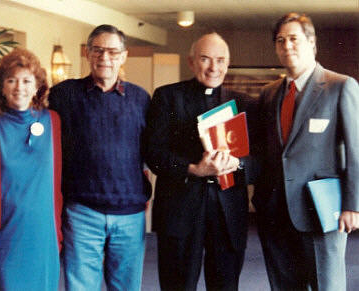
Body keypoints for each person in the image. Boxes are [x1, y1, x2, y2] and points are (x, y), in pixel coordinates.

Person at [253, 13, 359, 291]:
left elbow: (356, 151)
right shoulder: (269, 93)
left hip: (322, 211)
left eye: (294, 39)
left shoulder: (340, 86)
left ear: (312, 43)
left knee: (327, 286)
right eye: (280, 40)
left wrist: (353, 205)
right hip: (275, 213)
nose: (287, 46)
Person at [144, 33, 256, 290]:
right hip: (180, 210)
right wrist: (194, 169)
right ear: (192, 62)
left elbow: (259, 160)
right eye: (205, 59)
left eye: (220, 60)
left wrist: (237, 164)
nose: (213, 67)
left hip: (228, 214)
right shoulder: (167, 97)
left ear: (228, 63)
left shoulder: (245, 104)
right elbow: (154, 153)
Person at [50, 24, 151, 291]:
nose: (105, 58)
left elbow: (153, 150)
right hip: (82, 212)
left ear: (124, 55)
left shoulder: (141, 99)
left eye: (112, 51)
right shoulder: (64, 94)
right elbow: (28, 110)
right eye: (98, 50)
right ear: (87, 53)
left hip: (129, 214)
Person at [0, 48, 63, 290]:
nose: (19, 87)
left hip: (44, 233)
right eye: (11, 80)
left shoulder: (52, 121)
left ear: (38, 86)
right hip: (6, 234)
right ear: (1, 87)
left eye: (26, 81)